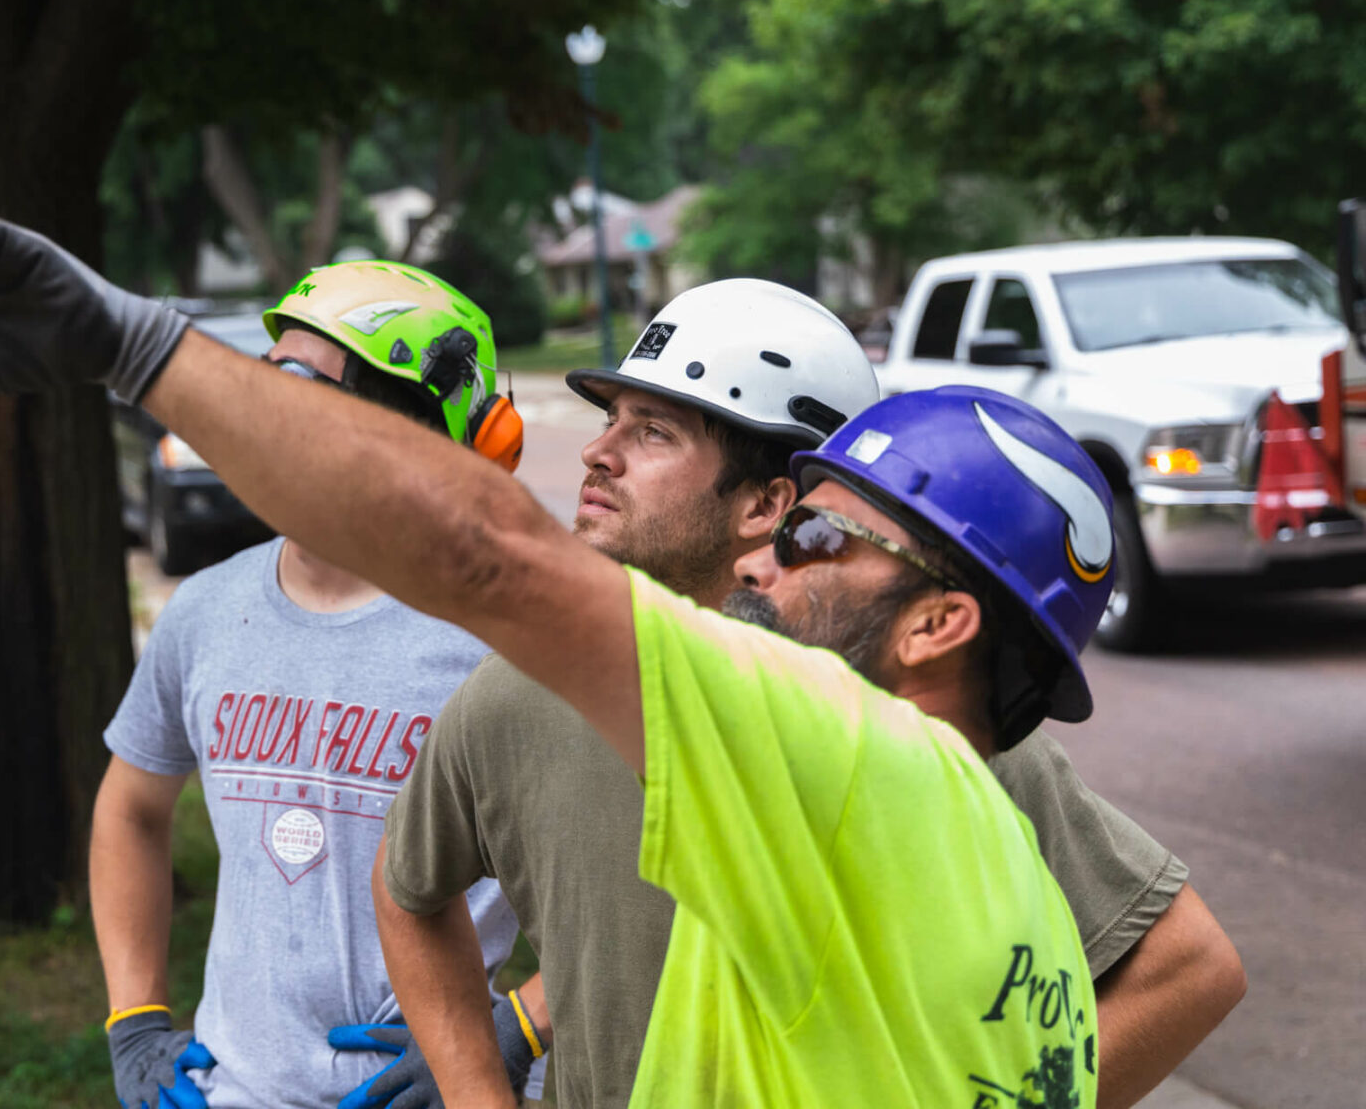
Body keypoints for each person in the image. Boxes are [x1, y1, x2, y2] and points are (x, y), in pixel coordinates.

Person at [0, 195, 1183, 1105]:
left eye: (821, 538)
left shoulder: (841, 762)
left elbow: (486, 550)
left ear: (943, 624)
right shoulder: (995, 869)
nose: (773, 558)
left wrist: (137, 348)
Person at [373, 287, 1246, 1108]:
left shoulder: (920, 742)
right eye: (610, 420)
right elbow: (412, 884)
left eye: (653, 431)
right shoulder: (520, 694)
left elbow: (1188, 968)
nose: (600, 452)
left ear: (768, 499)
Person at [84, 261, 543, 1108]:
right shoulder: (208, 610)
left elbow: (660, 871)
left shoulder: (510, 636)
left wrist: (515, 1028)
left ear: (409, 428)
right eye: (263, 383)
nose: (258, 421)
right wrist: (136, 1017)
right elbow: (129, 810)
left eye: (300, 390)